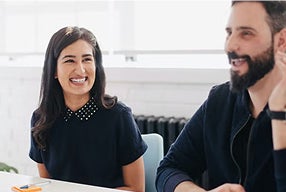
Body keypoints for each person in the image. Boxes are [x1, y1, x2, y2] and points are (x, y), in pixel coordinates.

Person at [156, 1, 286, 192]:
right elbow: (169, 169)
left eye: (246, 33)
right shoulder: (220, 100)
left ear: (281, 41)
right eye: (229, 33)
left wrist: (278, 117)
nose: (230, 45)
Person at [29, 26, 147, 192]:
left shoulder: (118, 116)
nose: (80, 70)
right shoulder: (41, 119)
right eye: (70, 60)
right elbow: (49, 186)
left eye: (87, 59)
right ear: (54, 70)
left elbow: (136, 188)